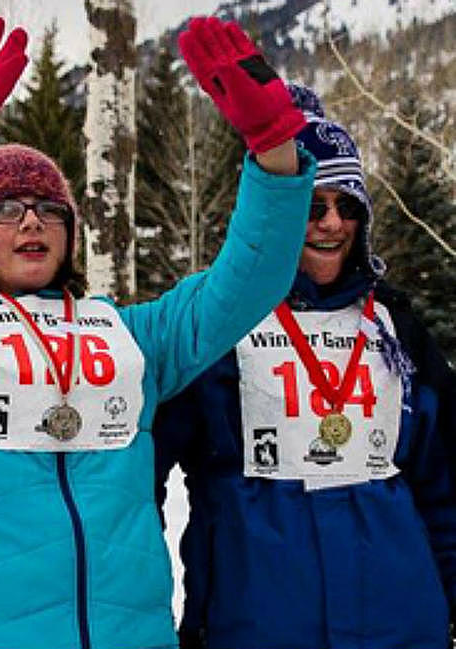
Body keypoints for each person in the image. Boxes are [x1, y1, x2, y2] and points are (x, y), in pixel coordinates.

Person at [0, 14, 316, 649]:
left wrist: (274, 148)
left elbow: (249, 283)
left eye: (48, 208)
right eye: (4, 208)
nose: (31, 219)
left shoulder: (131, 338)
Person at [153, 85, 456, 649]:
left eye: (348, 206)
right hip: (256, 623)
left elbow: (442, 479)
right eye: (313, 207)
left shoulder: (393, 322)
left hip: (400, 621)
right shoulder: (216, 320)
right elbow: (137, 484)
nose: (332, 224)